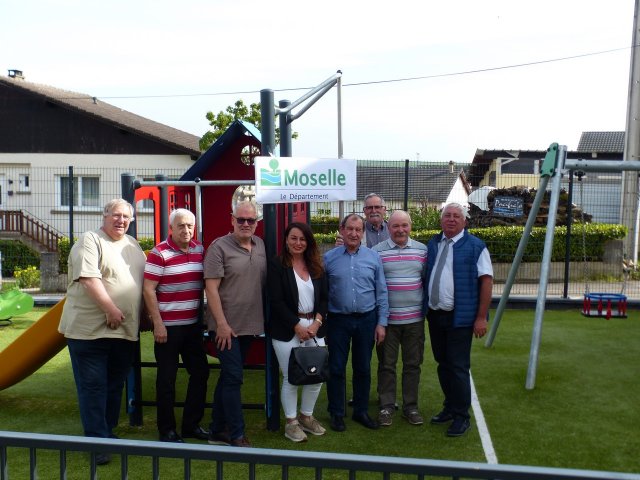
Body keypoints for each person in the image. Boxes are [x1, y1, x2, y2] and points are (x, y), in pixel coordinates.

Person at [58, 198, 146, 465]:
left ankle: (106, 433)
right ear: (104, 215)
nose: (121, 220)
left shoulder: (133, 245)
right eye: (116, 215)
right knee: (93, 387)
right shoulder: (90, 240)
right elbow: (88, 279)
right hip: (89, 332)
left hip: (124, 332)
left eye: (126, 217)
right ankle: (97, 442)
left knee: (114, 386)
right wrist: (110, 308)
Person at [424, 202, 493, 437]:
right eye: (447, 215)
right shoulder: (433, 243)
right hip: (435, 315)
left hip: (460, 318)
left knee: (458, 367)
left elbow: (486, 281)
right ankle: (450, 407)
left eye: (456, 216)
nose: (451, 219)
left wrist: (481, 317)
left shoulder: (476, 246)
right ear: (441, 220)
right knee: (443, 364)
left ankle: (462, 417)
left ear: (464, 221)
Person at [143, 208, 210, 443]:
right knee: (166, 380)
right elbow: (148, 289)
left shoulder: (199, 249)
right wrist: (158, 324)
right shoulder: (159, 253)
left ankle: (191, 425)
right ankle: (167, 430)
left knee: (200, 373)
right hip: (168, 328)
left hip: (192, 327)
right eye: (181, 225)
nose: (186, 230)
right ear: (171, 228)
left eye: (190, 225)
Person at [204, 200, 267, 448]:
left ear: (257, 223)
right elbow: (211, 288)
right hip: (225, 327)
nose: (245, 224)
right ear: (232, 220)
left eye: (250, 220)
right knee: (234, 377)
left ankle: (216, 430)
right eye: (241, 219)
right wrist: (221, 324)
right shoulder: (218, 248)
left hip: (250, 325)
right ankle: (236, 433)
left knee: (228, 377)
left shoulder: (260, 245)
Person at [324, 213, 389, 432]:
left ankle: (361, 411)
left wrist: (381, 323)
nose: (353, 233)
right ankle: (337, 412)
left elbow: (381, 291)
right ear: (342, 230)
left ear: (363, 232)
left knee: (363, 367)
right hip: (338, 321)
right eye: (350, 229)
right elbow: (322, 292)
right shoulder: (328, 258)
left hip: (367, 320)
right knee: (336, 367)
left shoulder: (373, 257)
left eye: (358, 230)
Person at [267, 222, 328, 443]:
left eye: (302, 239)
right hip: (287, 329)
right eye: (293, 238)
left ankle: (306, 416)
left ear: (308, 242)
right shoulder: (277, 265)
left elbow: (324, 298)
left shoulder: (316, 265)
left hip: (315, 327)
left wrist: (316, 323)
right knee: (291, 378)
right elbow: (276, 300)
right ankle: (291, 423)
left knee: (317, 376)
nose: (298, 243)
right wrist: (297, 327)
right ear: (286, 240)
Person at [372, 210, 428, 427]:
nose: (400, 230)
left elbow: (424, 280)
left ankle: (410, 407)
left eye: (404, 225)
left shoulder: (422, 250)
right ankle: (386, 407)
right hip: (387, 322)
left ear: (410, 227)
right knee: (387, 365)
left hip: (415, 321)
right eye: (395, 226)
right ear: (388, 228)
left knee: (413, 365)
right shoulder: (377, 252)